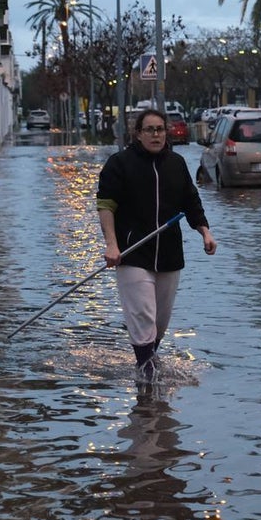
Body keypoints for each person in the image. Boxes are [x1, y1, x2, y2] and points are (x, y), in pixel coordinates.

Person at [96, 109, 217, 383]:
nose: (156, 134)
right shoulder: (120, 163)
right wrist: (112, 245)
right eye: (149, 129)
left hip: (169, 255)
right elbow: (105, 205)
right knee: (142, 313)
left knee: (159, 322)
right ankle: (147, 379)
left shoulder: (176, 164)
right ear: (138, 134)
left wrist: (205, 233)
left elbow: (191, 202)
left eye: (160, 129)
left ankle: (149, 365)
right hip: (132, 253)